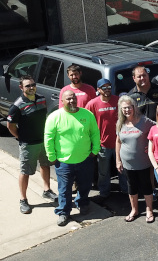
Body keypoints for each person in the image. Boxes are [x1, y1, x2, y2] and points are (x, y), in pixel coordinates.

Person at [44, 90, 101, 226]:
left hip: (85, 159)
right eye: (68, 99)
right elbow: (48, 138)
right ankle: (64, 212)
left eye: (73, 98)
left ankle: (82, 203)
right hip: (64, 162)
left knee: (85, 185)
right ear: (62, 101)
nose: (72, 101)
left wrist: (95, 150)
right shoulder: (54, 117)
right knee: (64, 189)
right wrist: (51, 156)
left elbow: (95, 133)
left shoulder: (87, 115)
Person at [5, 75, 57, 214]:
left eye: (33, 84)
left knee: (45, 166)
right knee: (25, 172)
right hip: (28, 144)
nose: (31, 87)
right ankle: (23, 199)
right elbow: (10, 125)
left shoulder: (41, 99)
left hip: (43, 141)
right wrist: (20, 137)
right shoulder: (17, 105)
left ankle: (47, 190)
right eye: (27, 85)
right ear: (21, 87)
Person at [116, 95, 156, 223]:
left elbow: (157, 129)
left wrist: (151, 147)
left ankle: (149, 210)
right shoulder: (120, 123)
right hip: (127, 164)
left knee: (146, 186)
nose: (127, 110)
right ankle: (134, 210)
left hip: (142, 162)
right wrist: (118, 160)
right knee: (131, 187)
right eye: (124, 108)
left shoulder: (144, 121)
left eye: (129, 107)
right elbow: (118, 141)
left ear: (134, 107)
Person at [85, 78, 121, 199]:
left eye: (109, 87)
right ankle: (104, 192)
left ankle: (126, 191)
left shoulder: (118, 101)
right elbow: (87, 123)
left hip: (119, 143)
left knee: (122, 169)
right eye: (104, 88)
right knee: (103, 171)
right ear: (98, 90)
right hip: (102, 144)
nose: (107, 90)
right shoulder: (92, 104)